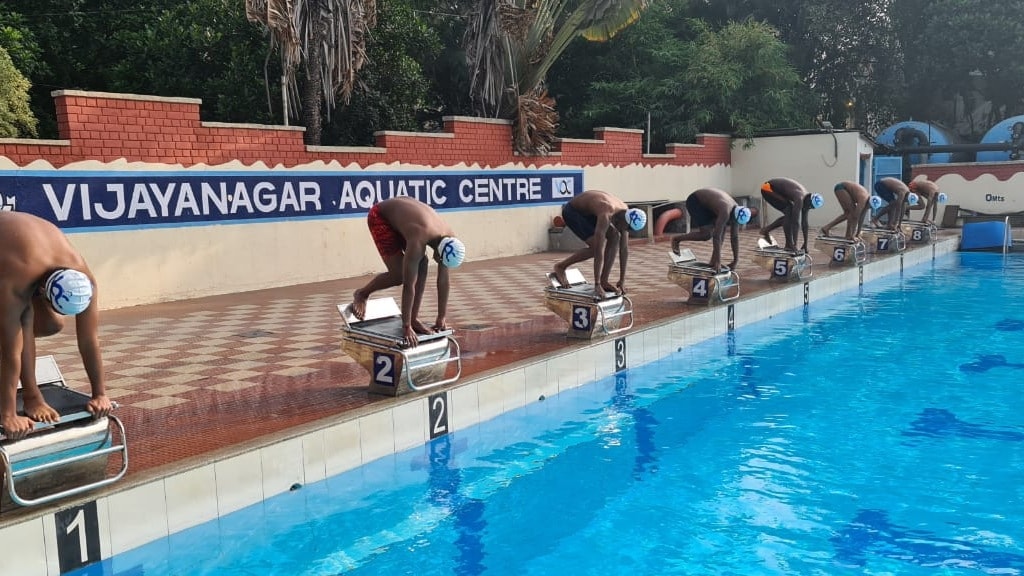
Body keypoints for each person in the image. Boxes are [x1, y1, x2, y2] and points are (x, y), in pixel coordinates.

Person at [0, 211, 113, 441]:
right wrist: (9, 414)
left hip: (23, 246)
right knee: (12, 328)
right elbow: (10, 351)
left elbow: (89, 339)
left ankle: (32, 395)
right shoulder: (18, 277)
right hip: (15, 252)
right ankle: (30, 395)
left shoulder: (84, 281)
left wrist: (100, 394)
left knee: (51, 323)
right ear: (43, 292)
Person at [351, 197, 466, 347]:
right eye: (441, 260)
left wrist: (441, 318)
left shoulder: (451, 241)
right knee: (400, 274)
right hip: (381, 217)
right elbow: (408, 286)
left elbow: (443, 281)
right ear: (439, 252)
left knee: (422, 263)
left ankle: (413, 318)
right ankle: (362, 293)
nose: (440, 263)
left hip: (406, 219)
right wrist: (406, 327)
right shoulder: (419, 239)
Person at [551, 190, 647, 299]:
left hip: (590, 213)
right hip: (573, 212)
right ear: (623, 219)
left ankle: (604, 281)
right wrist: (596, 285)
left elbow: (624, 249)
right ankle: (560, 266)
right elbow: (599, 250)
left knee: (615, 236)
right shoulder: (606, 212)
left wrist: (622, 280)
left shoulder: (626, 213)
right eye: (625, 227)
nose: (624, 230)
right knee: (595, 247)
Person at [670, 188, 754, 272]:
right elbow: (716, 236)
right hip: (696, 200)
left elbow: (735, 238)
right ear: (733, 215)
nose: (734, 224)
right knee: (707, 234)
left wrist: (735, 261)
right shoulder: (725, 211)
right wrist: (719, 261)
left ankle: (713, 261)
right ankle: (676, 239)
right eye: (734, 221)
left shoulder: (738, 210)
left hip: (710, 203)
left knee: (722, 231)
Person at [759, 177, 825, 253]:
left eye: (811, 208)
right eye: (809, 206)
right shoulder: (800, 198)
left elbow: (804, 224)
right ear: (809, 200)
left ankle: (766, 230)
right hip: (767, 188)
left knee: (789, 215)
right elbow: (795, 222)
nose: (808, 208)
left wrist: (805, 244)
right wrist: (795, 244)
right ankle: (789, 245)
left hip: (774, 189)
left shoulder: (806, 200)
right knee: (789, 209)